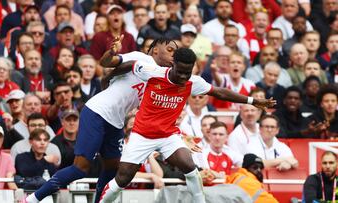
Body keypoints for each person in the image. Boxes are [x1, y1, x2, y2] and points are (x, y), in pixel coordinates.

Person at [99, 48, 275, 203]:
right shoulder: (152, 72)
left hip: (168, 135)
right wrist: (108, 77)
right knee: (123, 178)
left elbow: (220, 92)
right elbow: (130, 65)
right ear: (173, 64)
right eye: (181, 71)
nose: (184, 76)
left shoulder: (194, 82)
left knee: (190, 168)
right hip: (142, 135)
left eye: (187, 72)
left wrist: (252, 101)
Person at [26, 38, 180, 203]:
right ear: (155, 49)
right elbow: (107, 62)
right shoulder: (141, 58)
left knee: (112, 169)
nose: (174, 55)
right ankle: (32, 200)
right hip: (97, 112)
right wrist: (112, 52)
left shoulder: (160, 80)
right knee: (80, 169)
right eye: (170, 49)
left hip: (117, 122)